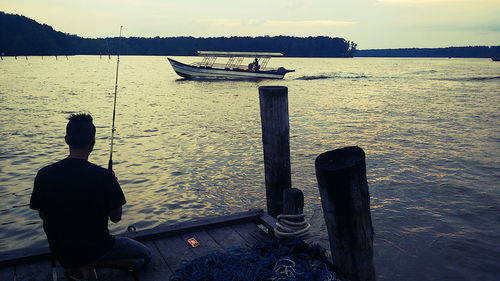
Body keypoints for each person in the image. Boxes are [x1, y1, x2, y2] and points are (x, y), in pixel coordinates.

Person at [30, 113, 151, 280]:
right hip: (97, 249)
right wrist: (112, 182)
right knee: (145, 256)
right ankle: (91, 265)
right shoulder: (104, 177)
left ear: (66, 140)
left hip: (61, 252)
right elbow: (116, 218)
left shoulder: (43, 174)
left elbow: (43, 214)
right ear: (93, 142)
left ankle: (80, 265)